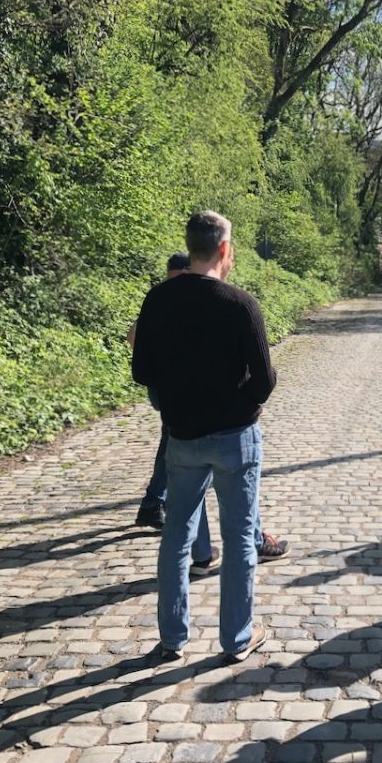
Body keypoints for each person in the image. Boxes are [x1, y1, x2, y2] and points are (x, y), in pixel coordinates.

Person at [132, 210, 274, 662]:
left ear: (190, 247)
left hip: (182, 439)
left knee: (176, 537)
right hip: (236, 437)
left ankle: (173, 637)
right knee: (239, 538)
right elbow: (265, 383)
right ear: (225, 250)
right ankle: (236, 639)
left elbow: (142, 372)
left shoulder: (157, 300)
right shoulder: (240, 304)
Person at [130, 254, 220, 576]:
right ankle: (157, 505)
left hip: (163, 389)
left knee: (171, 440)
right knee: (178, 448)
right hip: (179, 393)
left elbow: (134, 340)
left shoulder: (159, 297)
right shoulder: (184, 298)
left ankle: (155, 503)